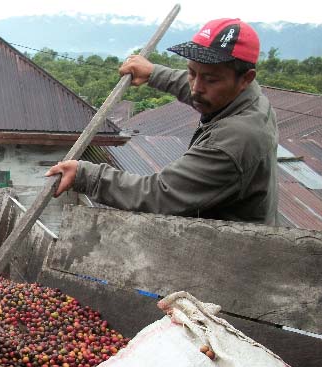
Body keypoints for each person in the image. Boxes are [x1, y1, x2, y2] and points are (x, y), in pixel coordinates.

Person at [46, 18, 279, 225]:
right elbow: (196, 90)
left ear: (245, 79)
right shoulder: (248, 98)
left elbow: (159, 194)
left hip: (233, 254)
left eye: (210, 79)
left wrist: (86, 175)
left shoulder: (235, 139)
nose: (196, 87)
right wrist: (153, 73)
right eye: (192, 72)